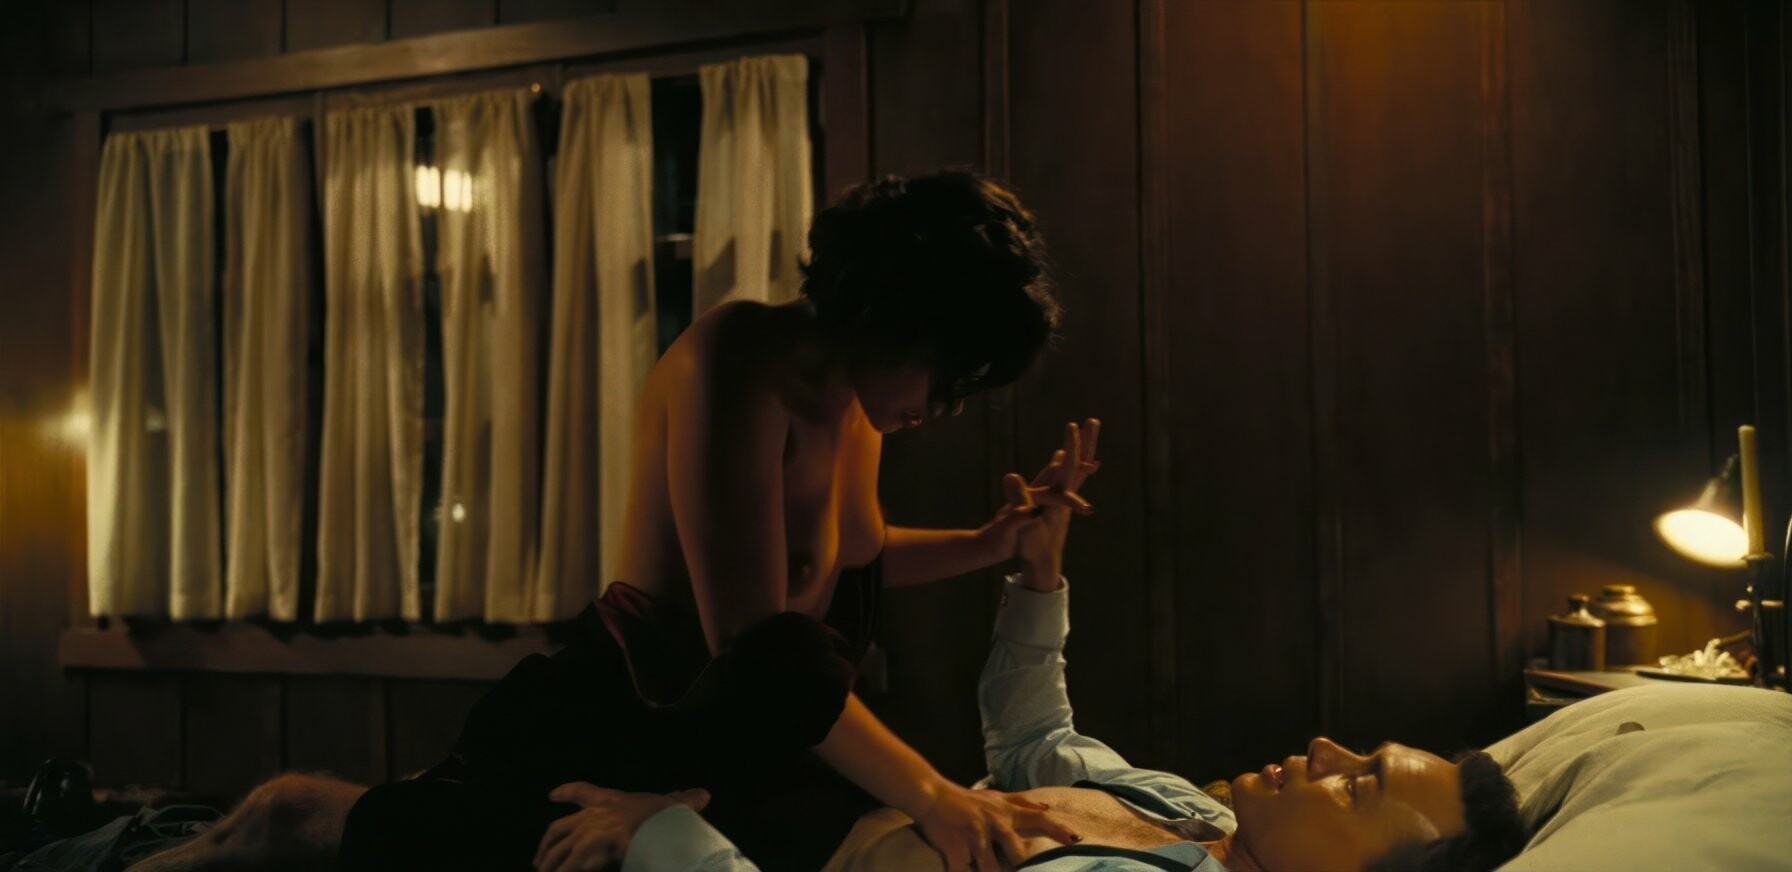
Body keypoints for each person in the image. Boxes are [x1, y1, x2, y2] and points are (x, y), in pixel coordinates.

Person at [126, 172, 1088, 872]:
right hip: (627, 711)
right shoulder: (743, 358)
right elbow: (759, 647)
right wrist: (931, 789)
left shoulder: (861, 413)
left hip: (742, 741)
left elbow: (842, 563)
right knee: (333, 832)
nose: (946, 406)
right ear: (896, 311)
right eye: (950, 373)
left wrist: (992, 544)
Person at [527, 454, 1530, 872]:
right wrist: (1037, 575)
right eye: (1357, 750)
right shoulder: (1198, 810)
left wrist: (665, 831)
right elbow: (1036, 740)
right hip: (815, 786)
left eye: (1358, 783)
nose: (1323, 747)